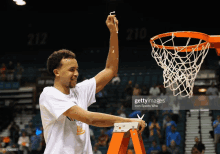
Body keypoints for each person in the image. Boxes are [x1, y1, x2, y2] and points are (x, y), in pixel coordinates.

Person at [39, 15, 146, 154]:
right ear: (57, 72)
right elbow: (88, 118)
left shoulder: (79, 90)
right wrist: (125, 121)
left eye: (77, 69)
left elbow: (111, 70)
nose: (76, 73)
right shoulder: (49, 94)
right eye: (71, 70)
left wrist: (114, 33)